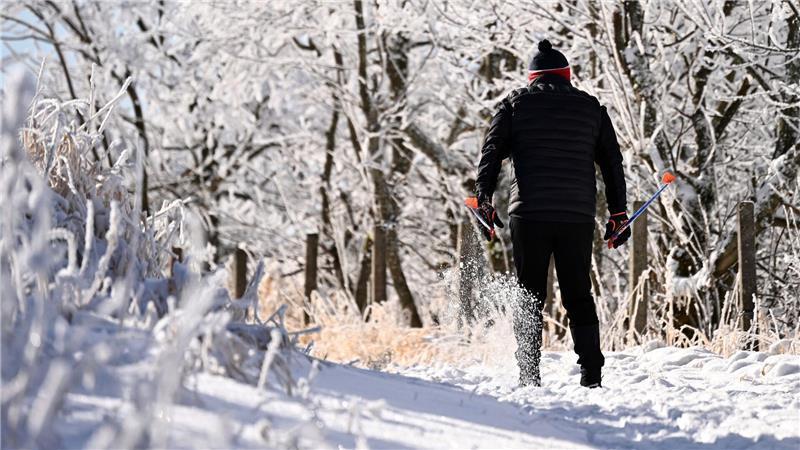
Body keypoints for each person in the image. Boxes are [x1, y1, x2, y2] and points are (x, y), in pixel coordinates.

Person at [473, 39, 630, 388]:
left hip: (529, 214)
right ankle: (591, 374)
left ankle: (529, 373)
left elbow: (491, 153)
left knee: (529, 292)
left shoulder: (514, 105)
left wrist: (483, 198)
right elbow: (612, 163)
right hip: (576, 215)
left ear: (533, 77)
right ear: (566, 76)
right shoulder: (592, 108)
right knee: (578, 292)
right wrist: (618, 213)